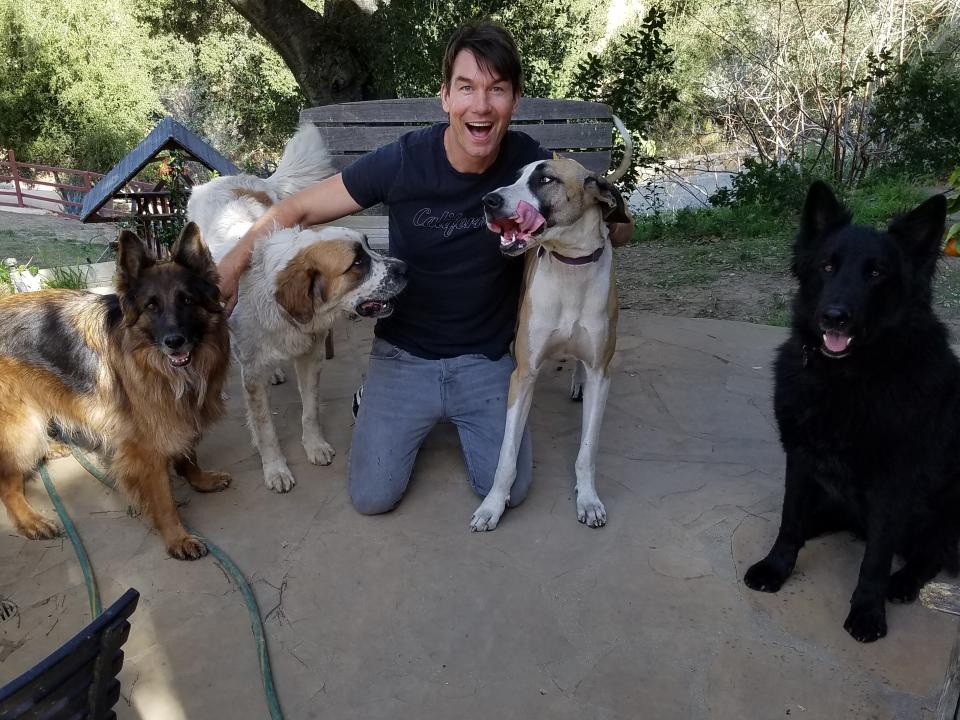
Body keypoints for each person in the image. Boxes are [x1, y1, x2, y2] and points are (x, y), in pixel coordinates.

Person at [217, 20, 633, 516]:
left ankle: (461, 411)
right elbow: (295, 211)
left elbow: (610, 227)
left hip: (485, 357)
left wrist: (605, 217)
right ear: (445, 97)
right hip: (405, 354)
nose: (480, 105)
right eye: (466, 88)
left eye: (496, 90)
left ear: (514, 101)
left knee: (507, 488)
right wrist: (229, 265)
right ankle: (375, 395)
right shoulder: (404, 160)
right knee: (373, 496)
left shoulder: (532, 169)